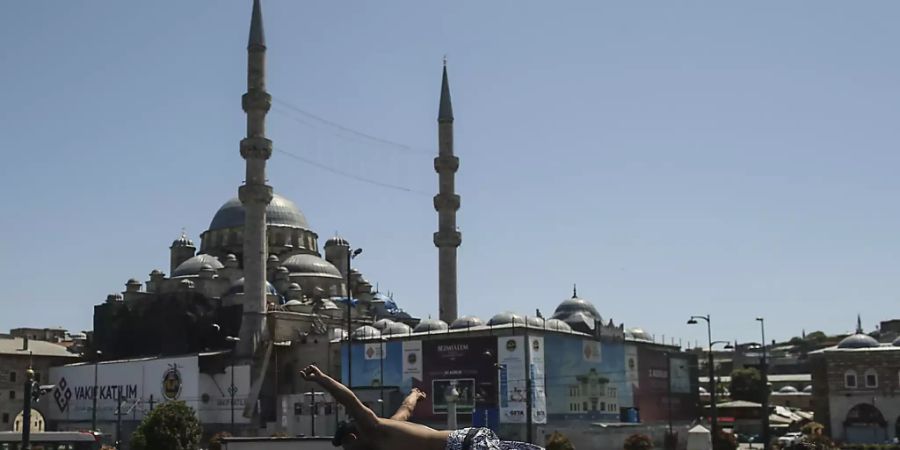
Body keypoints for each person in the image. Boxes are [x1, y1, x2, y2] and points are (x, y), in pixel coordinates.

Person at [300, 364, 544, 450]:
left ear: (354, 436)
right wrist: (415, 394)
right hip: (469, 440)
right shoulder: (391, 427)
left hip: (462, 446)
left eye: (348, 448)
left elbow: (350, 401)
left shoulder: (373, 429)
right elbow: (406, 409)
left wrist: (321, 379)